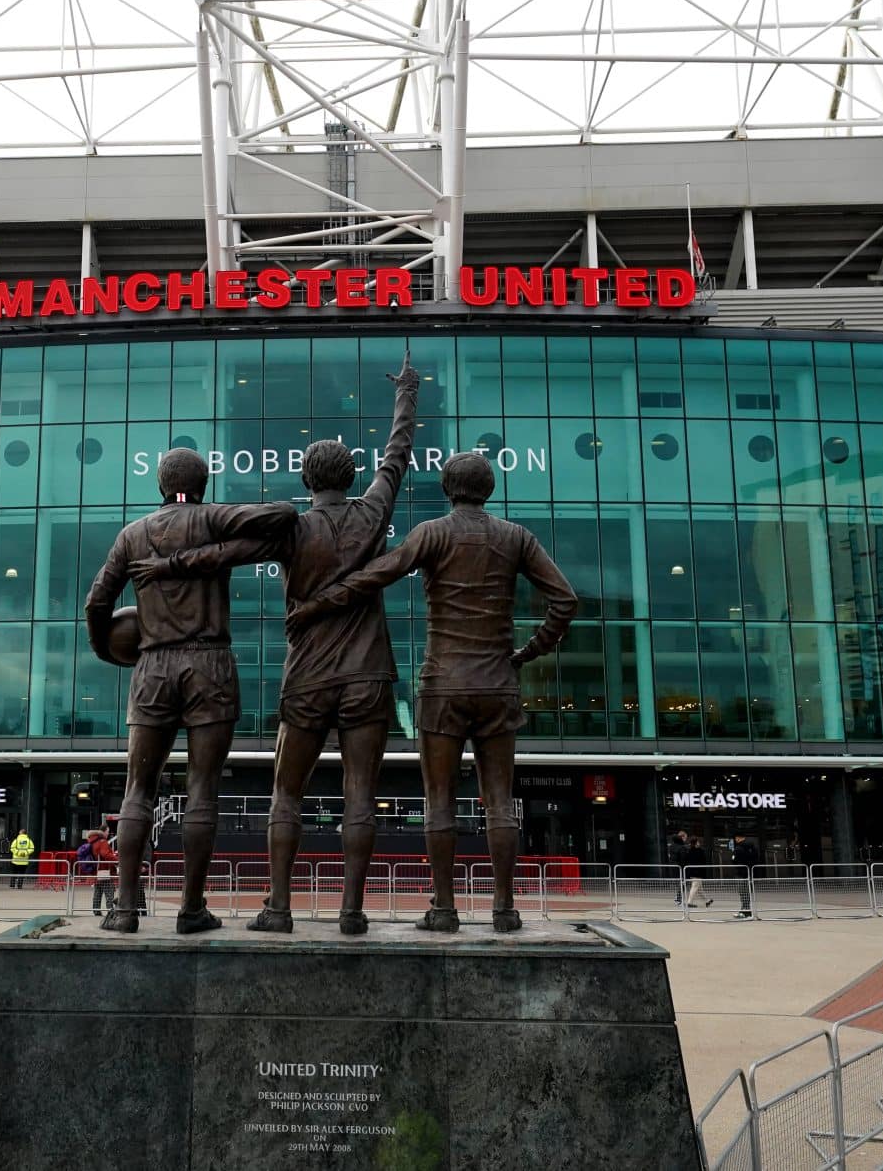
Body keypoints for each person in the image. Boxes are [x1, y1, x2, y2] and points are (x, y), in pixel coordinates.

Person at [131, 356, 421, 935]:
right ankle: (352, 912)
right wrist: (406, 395)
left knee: (287, 793)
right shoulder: (373, 512)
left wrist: (170, 562)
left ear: (308, 481)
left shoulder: (291, 529)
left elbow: (228, 555)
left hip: (308, 675)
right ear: (347, 475)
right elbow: (397, 454)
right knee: (360, 794)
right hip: (369, 673)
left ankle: (280, 907)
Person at [289, 451, 576, 933]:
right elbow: (564, 600)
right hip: (498, 683)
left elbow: (377, 574)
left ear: (447, 489)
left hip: (443, 684)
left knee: (439, 799)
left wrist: (318, 604)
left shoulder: (431, 533)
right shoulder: (516, 538)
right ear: (488, 490)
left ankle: (444, 909)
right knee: (500, 800)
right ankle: (504, 910)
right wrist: (528, 651)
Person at [83, 447, 297, 934]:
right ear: (201, 483)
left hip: (152, 665)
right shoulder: (212, 517)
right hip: (208, 662)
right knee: (203, 789)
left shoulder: (132, 534)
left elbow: (97, 600)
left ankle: (123, 910)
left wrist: (105, 650)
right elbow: (282, 515)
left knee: (138, 789)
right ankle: (191, 908)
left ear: (160, 484)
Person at [731, 833, 759, 918]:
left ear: (738, 838)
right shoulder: (752, 847)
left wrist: (733, 858)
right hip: (750, 872)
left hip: (741, 873)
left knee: (743, 893)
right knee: (747, 892)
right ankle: (746, 910)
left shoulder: (738, 848)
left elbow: (733, 859)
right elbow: (756, 858)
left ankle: (745, 911)